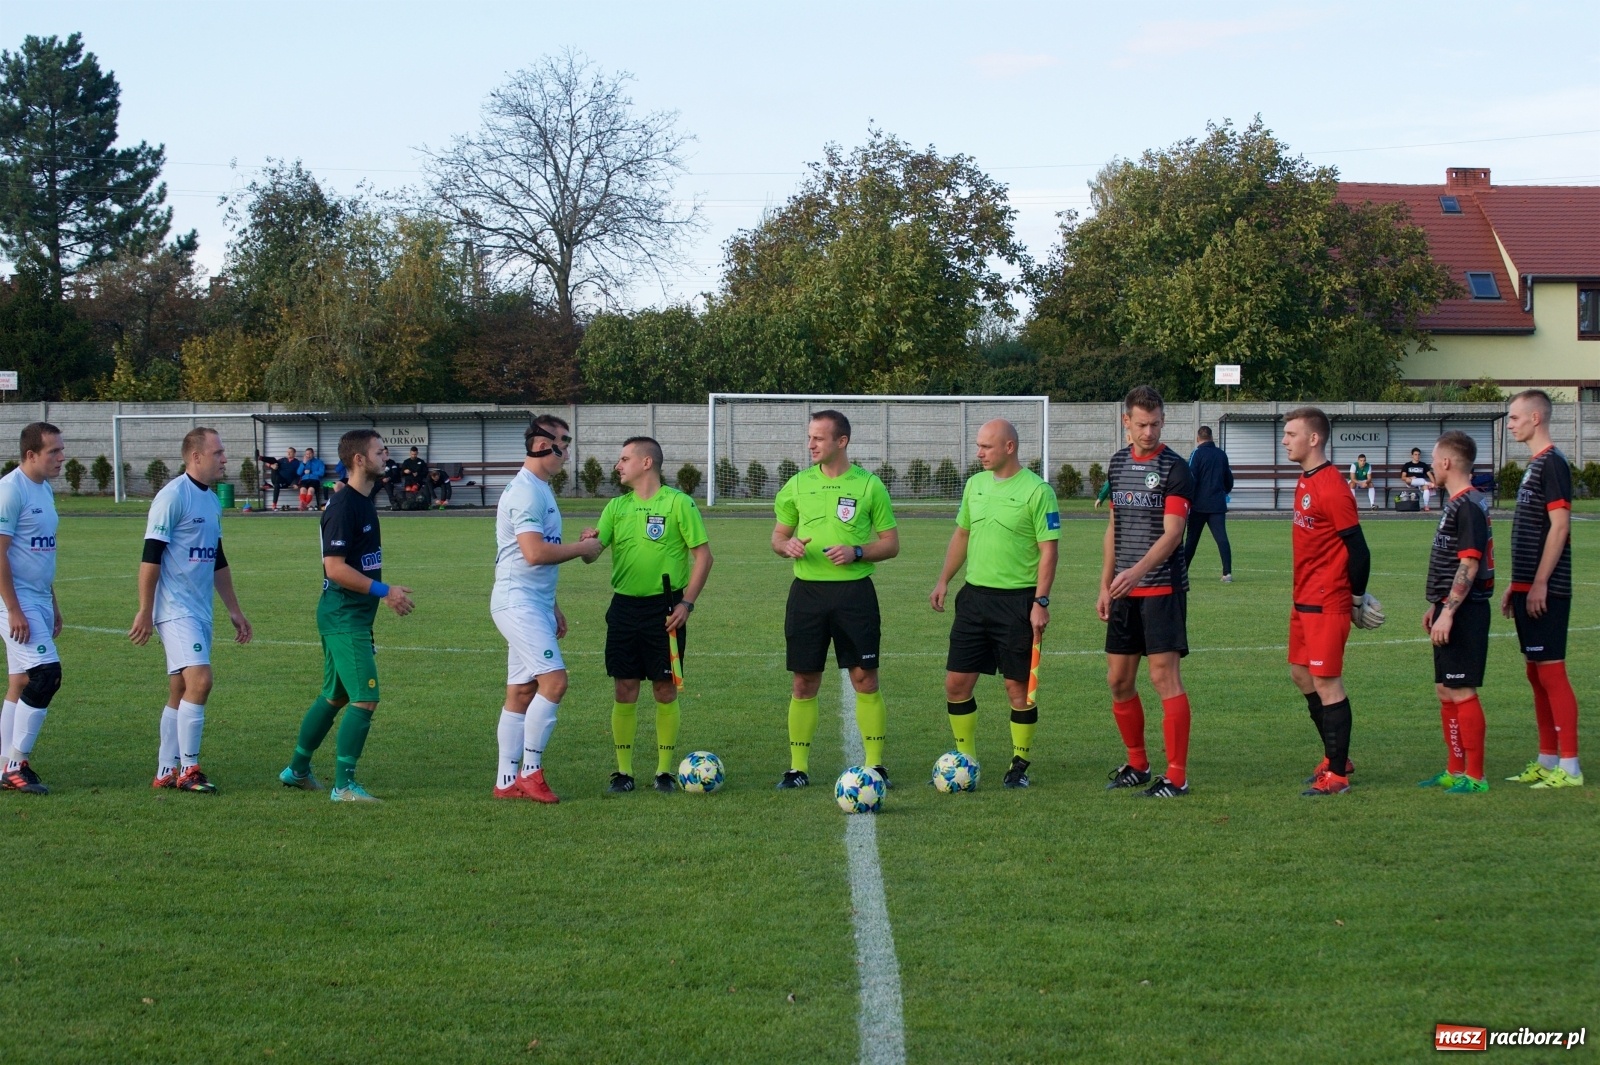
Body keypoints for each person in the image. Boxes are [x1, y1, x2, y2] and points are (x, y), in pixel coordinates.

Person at [278, 430, 413, 801]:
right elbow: (334, 568)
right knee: (365, 697)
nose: (386, 455)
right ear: (358, 459)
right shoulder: (343, 506)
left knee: (334, 696)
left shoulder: (362, 501)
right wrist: (386, 592)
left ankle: (297, 771)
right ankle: (344, 786)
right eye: (379, 450)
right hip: (343, 616)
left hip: (351, 616)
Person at [771, 410, 899, 789]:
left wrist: (857, 552)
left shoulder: (869, 485)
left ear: (841, 441)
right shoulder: (796, 485)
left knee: (865, 678)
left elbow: (891, 544)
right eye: (809, 437)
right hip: (807, 594)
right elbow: (777, 538)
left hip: (854, 595)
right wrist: (786, 545)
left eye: (818, 438)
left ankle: (875, 766)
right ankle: (797, 769)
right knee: (804, 682)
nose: (810, 444)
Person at [930, 419, 1059, 788]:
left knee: (1017, 689)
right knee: (956, 684)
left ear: (1009, 447)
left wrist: (1041, 601)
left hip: (1018, 602)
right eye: (978, 445)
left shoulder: (1037, 491)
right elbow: (962, 534)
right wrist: (944, 580)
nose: (979, 452)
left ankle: (1019, 765)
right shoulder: (975, 485)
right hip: (974, 599)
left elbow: (1049, 551)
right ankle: (964, 760)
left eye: (986, 446)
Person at [586, 436, 713, 794]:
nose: (617, 465)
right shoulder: (615, 508)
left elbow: (704, 557)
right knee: (624, 687)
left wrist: (686, 604)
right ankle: (623, 772)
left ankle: (663, 772)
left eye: (624, 458)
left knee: (664, 688)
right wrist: (586, 544)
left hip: (666, 608)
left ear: (646, 463)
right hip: (624, 607)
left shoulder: (678, 504)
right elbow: (593, 552)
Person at [130, 428, 252, 793]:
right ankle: (189, 769)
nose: (224, 459)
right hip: (174, 608)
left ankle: (165, 770)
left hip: (199, 609)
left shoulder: (212, 501)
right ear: (196, 457)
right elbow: (150, 557)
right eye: (218, 452)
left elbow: (217, 558)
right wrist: (144, 610)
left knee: (180, 688)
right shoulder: (172, 497)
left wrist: (233, 608)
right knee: (201, 681)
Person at [489, 416, 601, 804]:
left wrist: (551, 605)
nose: (566, 453)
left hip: (531, 602)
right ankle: (530, 773)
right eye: (562, 444)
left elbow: (533, 555)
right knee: (555, 682)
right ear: (541, 445)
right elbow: (535, 553)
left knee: (521, 691)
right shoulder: (525, 492)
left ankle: (505, 781)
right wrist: (582, 549)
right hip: (516, 601)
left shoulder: (540, 489)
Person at [1281, 408, 1384, 798]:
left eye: (1292, 434)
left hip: (1328, 601)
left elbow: (1359, 549)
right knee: (1301, 674)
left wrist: (1355, 598)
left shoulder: (1333, 487)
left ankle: (1338, 775)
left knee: (1327, 682)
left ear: (1314, 439)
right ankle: (1335, 755)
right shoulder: (1305, 481)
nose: (1285, 440)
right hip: (1303, 598)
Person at [1099, 386, 1195, 798]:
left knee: (1163, 677)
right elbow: (1114, 527)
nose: (1149, 431)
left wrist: (1135, 573)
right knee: (1118, 681)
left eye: (1156, 424)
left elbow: (1173, 535)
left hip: (1161, 589)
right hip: (1123, 591)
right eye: (1141, 424)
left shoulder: (1176, 468)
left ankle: (1177, 775)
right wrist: (1106, 584)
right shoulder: (1117, 463)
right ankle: (1137, 763)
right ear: (1126, 422)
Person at [1501, 389, 1582, 788]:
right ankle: (1547, 758)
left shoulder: (1553, 463)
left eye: (1514, 417)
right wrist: (1516, 585)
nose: (1511, 423)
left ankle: (1570, 766)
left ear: (1536, 418)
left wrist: (1540, 583)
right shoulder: (1535, 465)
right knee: (1536, 674)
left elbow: (1560, 526)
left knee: (1552, 673)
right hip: (1528, 587)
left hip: (1547, 589)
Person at [1418, 431, 1495, 795]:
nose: (1432, 465)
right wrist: (1436, 605)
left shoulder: (1467, 506)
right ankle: (1454, 768)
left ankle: (1475, 775)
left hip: (1466, 612)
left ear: (1446, 462)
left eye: (1434, 460)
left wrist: (1449, 612)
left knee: (1461, 689)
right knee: (1445, 689)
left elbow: (1469, 564)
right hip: (1449, 608)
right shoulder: (1461, 503)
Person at [0, 423, 65, 795]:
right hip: (14, 599)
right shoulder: (10, 491)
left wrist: (52, 602)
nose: (61, 457)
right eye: (53, 452)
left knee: (21, 681)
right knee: (46, 675)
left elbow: (42, 550)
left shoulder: (45, 489)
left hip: (37, 598)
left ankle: (4, 764)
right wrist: (13, 608)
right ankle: (16, 763)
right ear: (30, 455)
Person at [1183, 425, 1235, 582]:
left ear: (1198, 439)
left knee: (1192, 540)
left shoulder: (1196, 454)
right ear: (1212, 438)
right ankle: (1227, 573)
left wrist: (1189, 498)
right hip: (1217, 505)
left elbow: (1191, 478)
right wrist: (1223, 492)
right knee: (1222, 539)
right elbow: (1229, 480)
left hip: (1199, 505)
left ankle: (1182, 572)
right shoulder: (1221, 455)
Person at [298, 446, 327, 510]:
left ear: (313, 454)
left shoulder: (319, 462)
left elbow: (322, 473)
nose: (308, 455)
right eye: (307, 454)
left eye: (310, 453)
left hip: (314, 480)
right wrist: (304, 464)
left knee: (310, 491)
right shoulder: (303, 462)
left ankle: (304, 505)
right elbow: (299, 473)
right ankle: (304, 504)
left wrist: (311, 472)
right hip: (304, 480)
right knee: (302, 490)